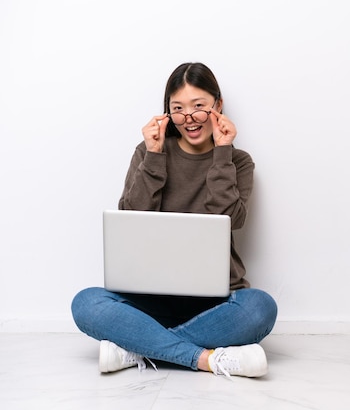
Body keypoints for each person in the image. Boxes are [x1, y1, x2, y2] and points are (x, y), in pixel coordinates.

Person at [71, 62, 277, 378]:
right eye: (178, 109)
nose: (189, 119)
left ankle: (136, 347)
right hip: (148, 300)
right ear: (167, 113)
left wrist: (221, 155)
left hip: (214, 304)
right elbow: (131, 219)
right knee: (86, 303)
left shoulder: (237, 160)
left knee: (260, 308)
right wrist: (154, 157)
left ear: (218, 106)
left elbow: (231, 219)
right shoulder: (148, 151)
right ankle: (206, 358)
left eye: (199, 107)